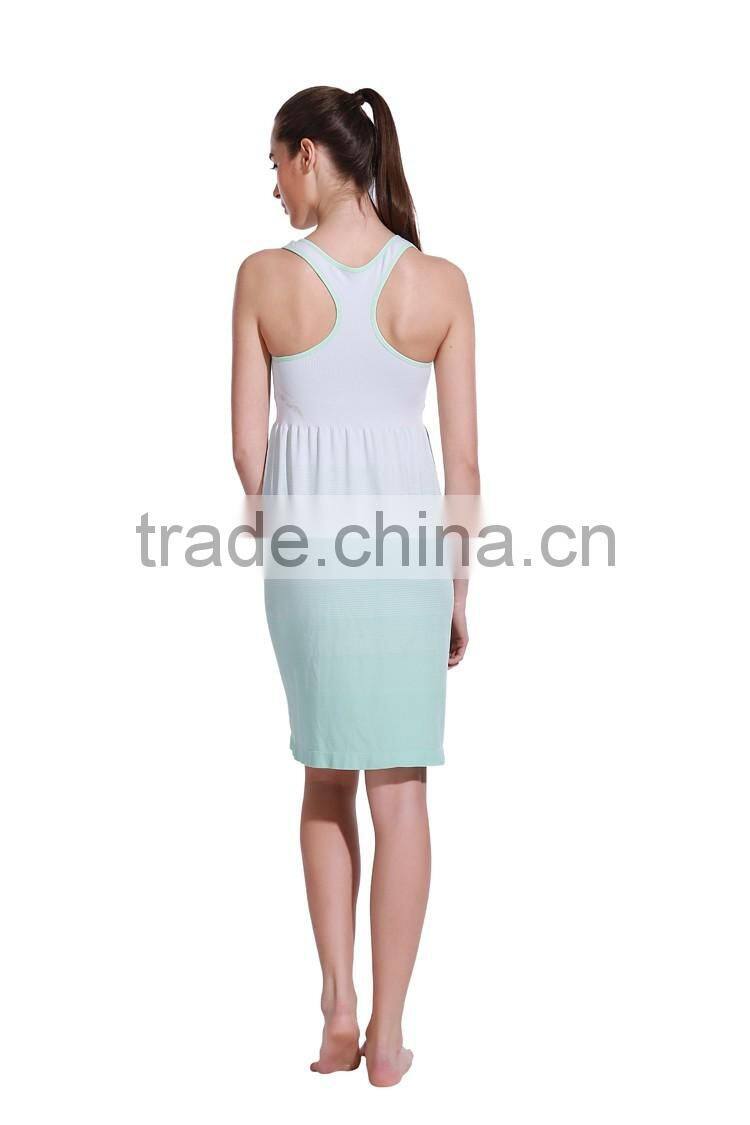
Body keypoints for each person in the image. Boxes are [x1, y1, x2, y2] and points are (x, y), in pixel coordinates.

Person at [231, 86, 479, 1086]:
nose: (274, 188)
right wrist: (456, 588)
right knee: (401, 789)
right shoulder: (439, 284)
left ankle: (337, 1006)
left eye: (275, 166)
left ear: (308, 155)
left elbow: (248, 449)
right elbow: (463, 463)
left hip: (304, 561)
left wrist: (283, 536)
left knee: (325, 773)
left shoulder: (262, 277)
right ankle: (388, 1034)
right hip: (409, 560)